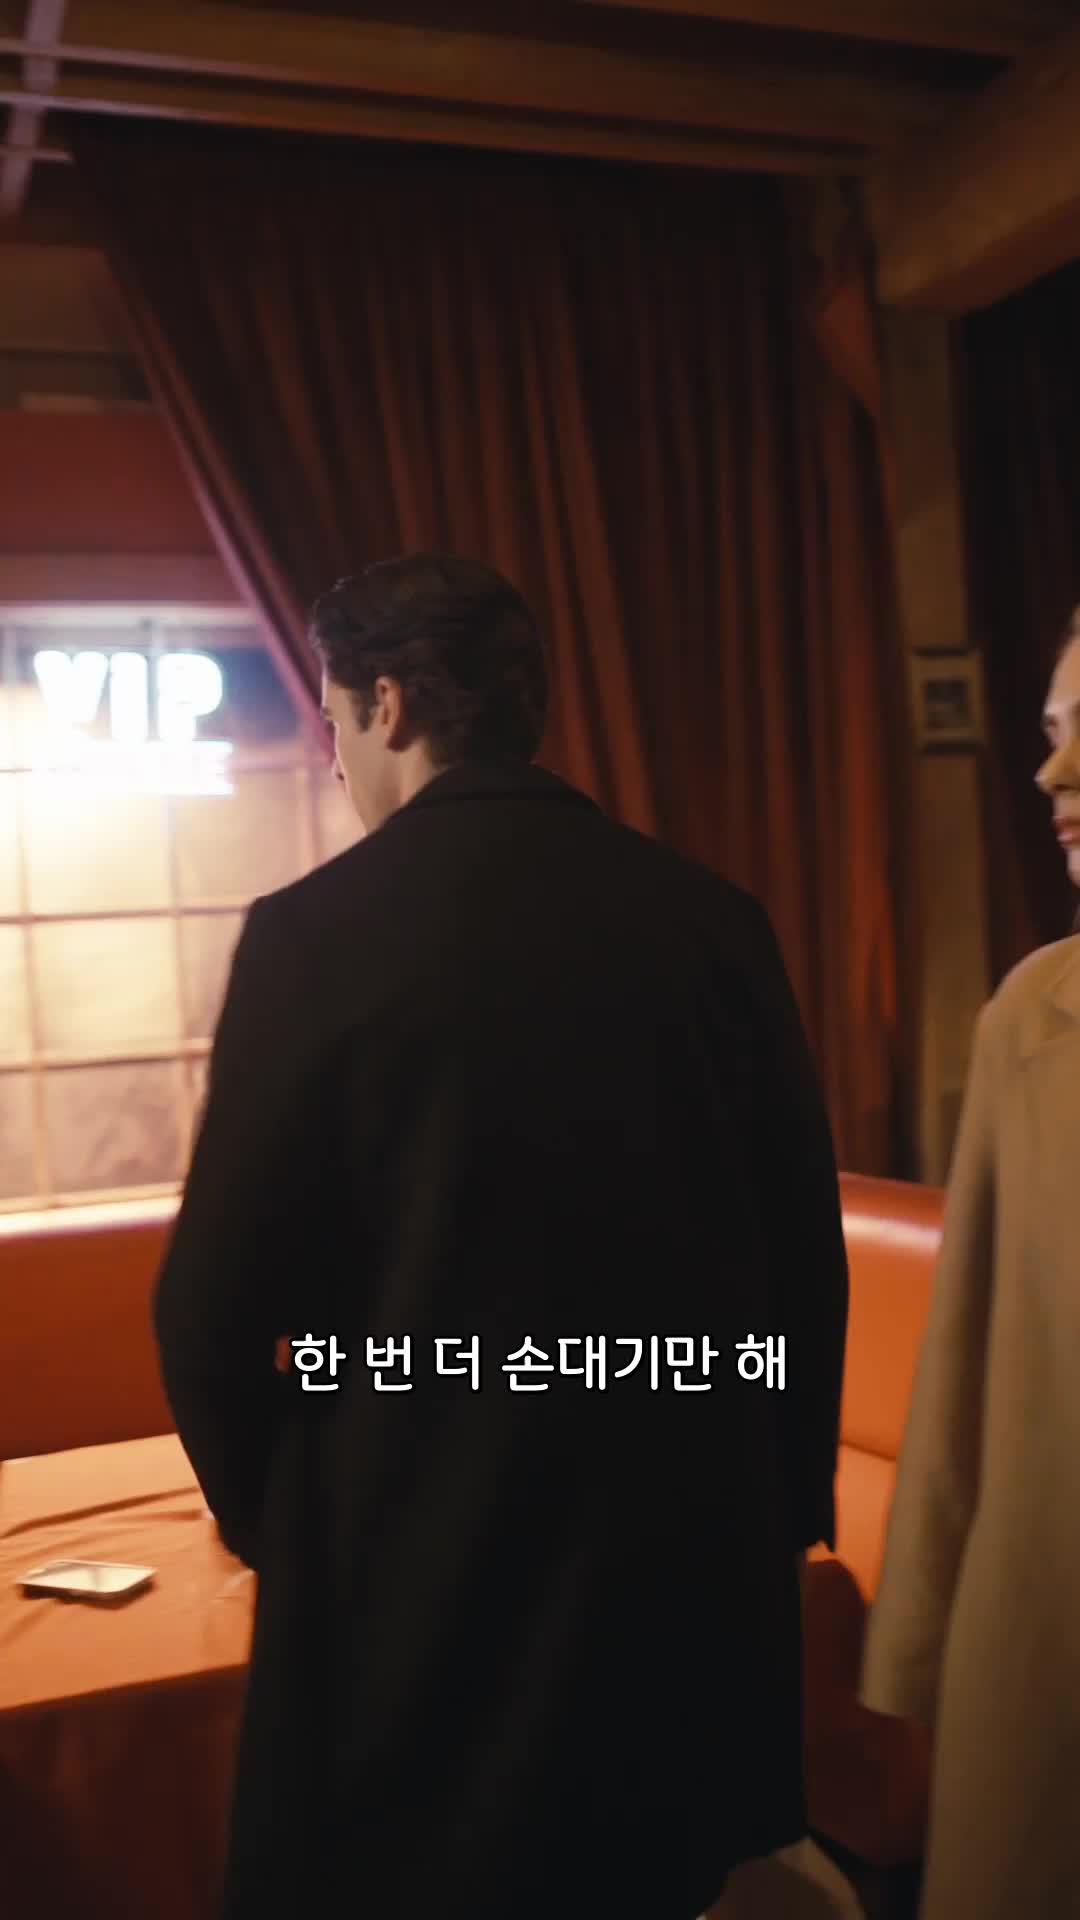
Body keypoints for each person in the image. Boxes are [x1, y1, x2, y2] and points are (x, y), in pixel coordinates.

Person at [153, 553, 848, 1920]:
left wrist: (281, 1519)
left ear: (393, 703)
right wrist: (775, 1512)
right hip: (681, 1547)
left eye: (335, 720)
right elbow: (799, 1256)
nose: (337, 758)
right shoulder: (712, 919)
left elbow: (213, 1306)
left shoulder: (315, 937)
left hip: (418, 1559)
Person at [860, 616, 1080, 1918]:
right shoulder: (1033, 1016)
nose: (1053, 776)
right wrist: (923, 1637)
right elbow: (966, 1361)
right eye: (1053, 736)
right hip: (1052, 1638)